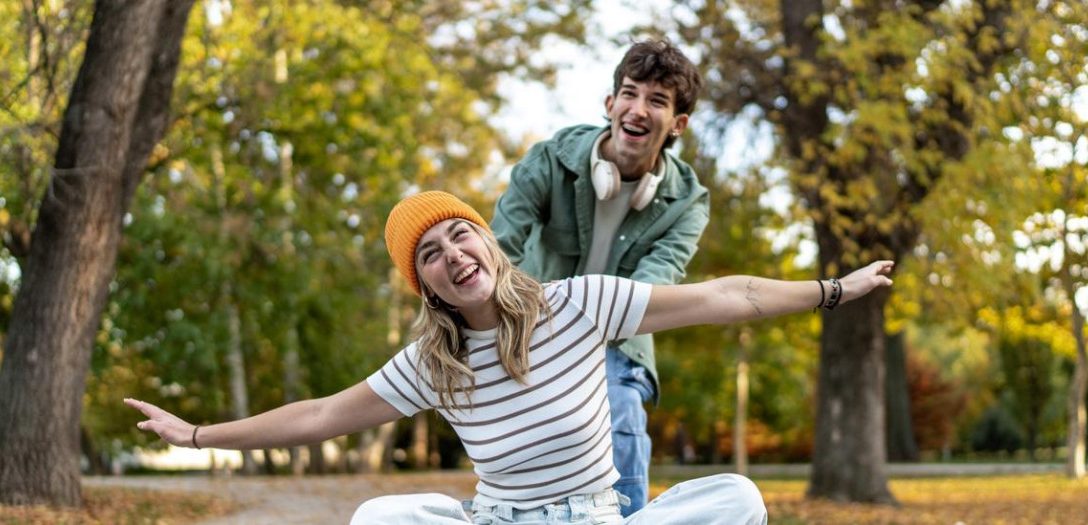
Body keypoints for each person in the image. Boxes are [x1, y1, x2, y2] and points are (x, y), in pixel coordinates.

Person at [126, 191, 895, 524]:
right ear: (425, 284)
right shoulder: (434, 364)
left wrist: (834, 288)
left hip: (598, 516)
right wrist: (197, 434)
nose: (453, 254)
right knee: (376, 514)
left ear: (484, 240)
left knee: (738, 498)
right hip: (500, 519)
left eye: (459, 233)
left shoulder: (582, 304)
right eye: (429, 253)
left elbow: (732, 295)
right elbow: (321, 414)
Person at [489, 39, 707, 515]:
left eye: (657, 101)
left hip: (620, 338)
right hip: (537, 327)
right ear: (610, 104)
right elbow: (498, 248)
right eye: (629, 93)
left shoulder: (688, 202)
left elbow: (654, 288)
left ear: (678, 124)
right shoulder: (549, 160)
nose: (638, 109)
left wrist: (593, 326)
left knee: (618, 405)